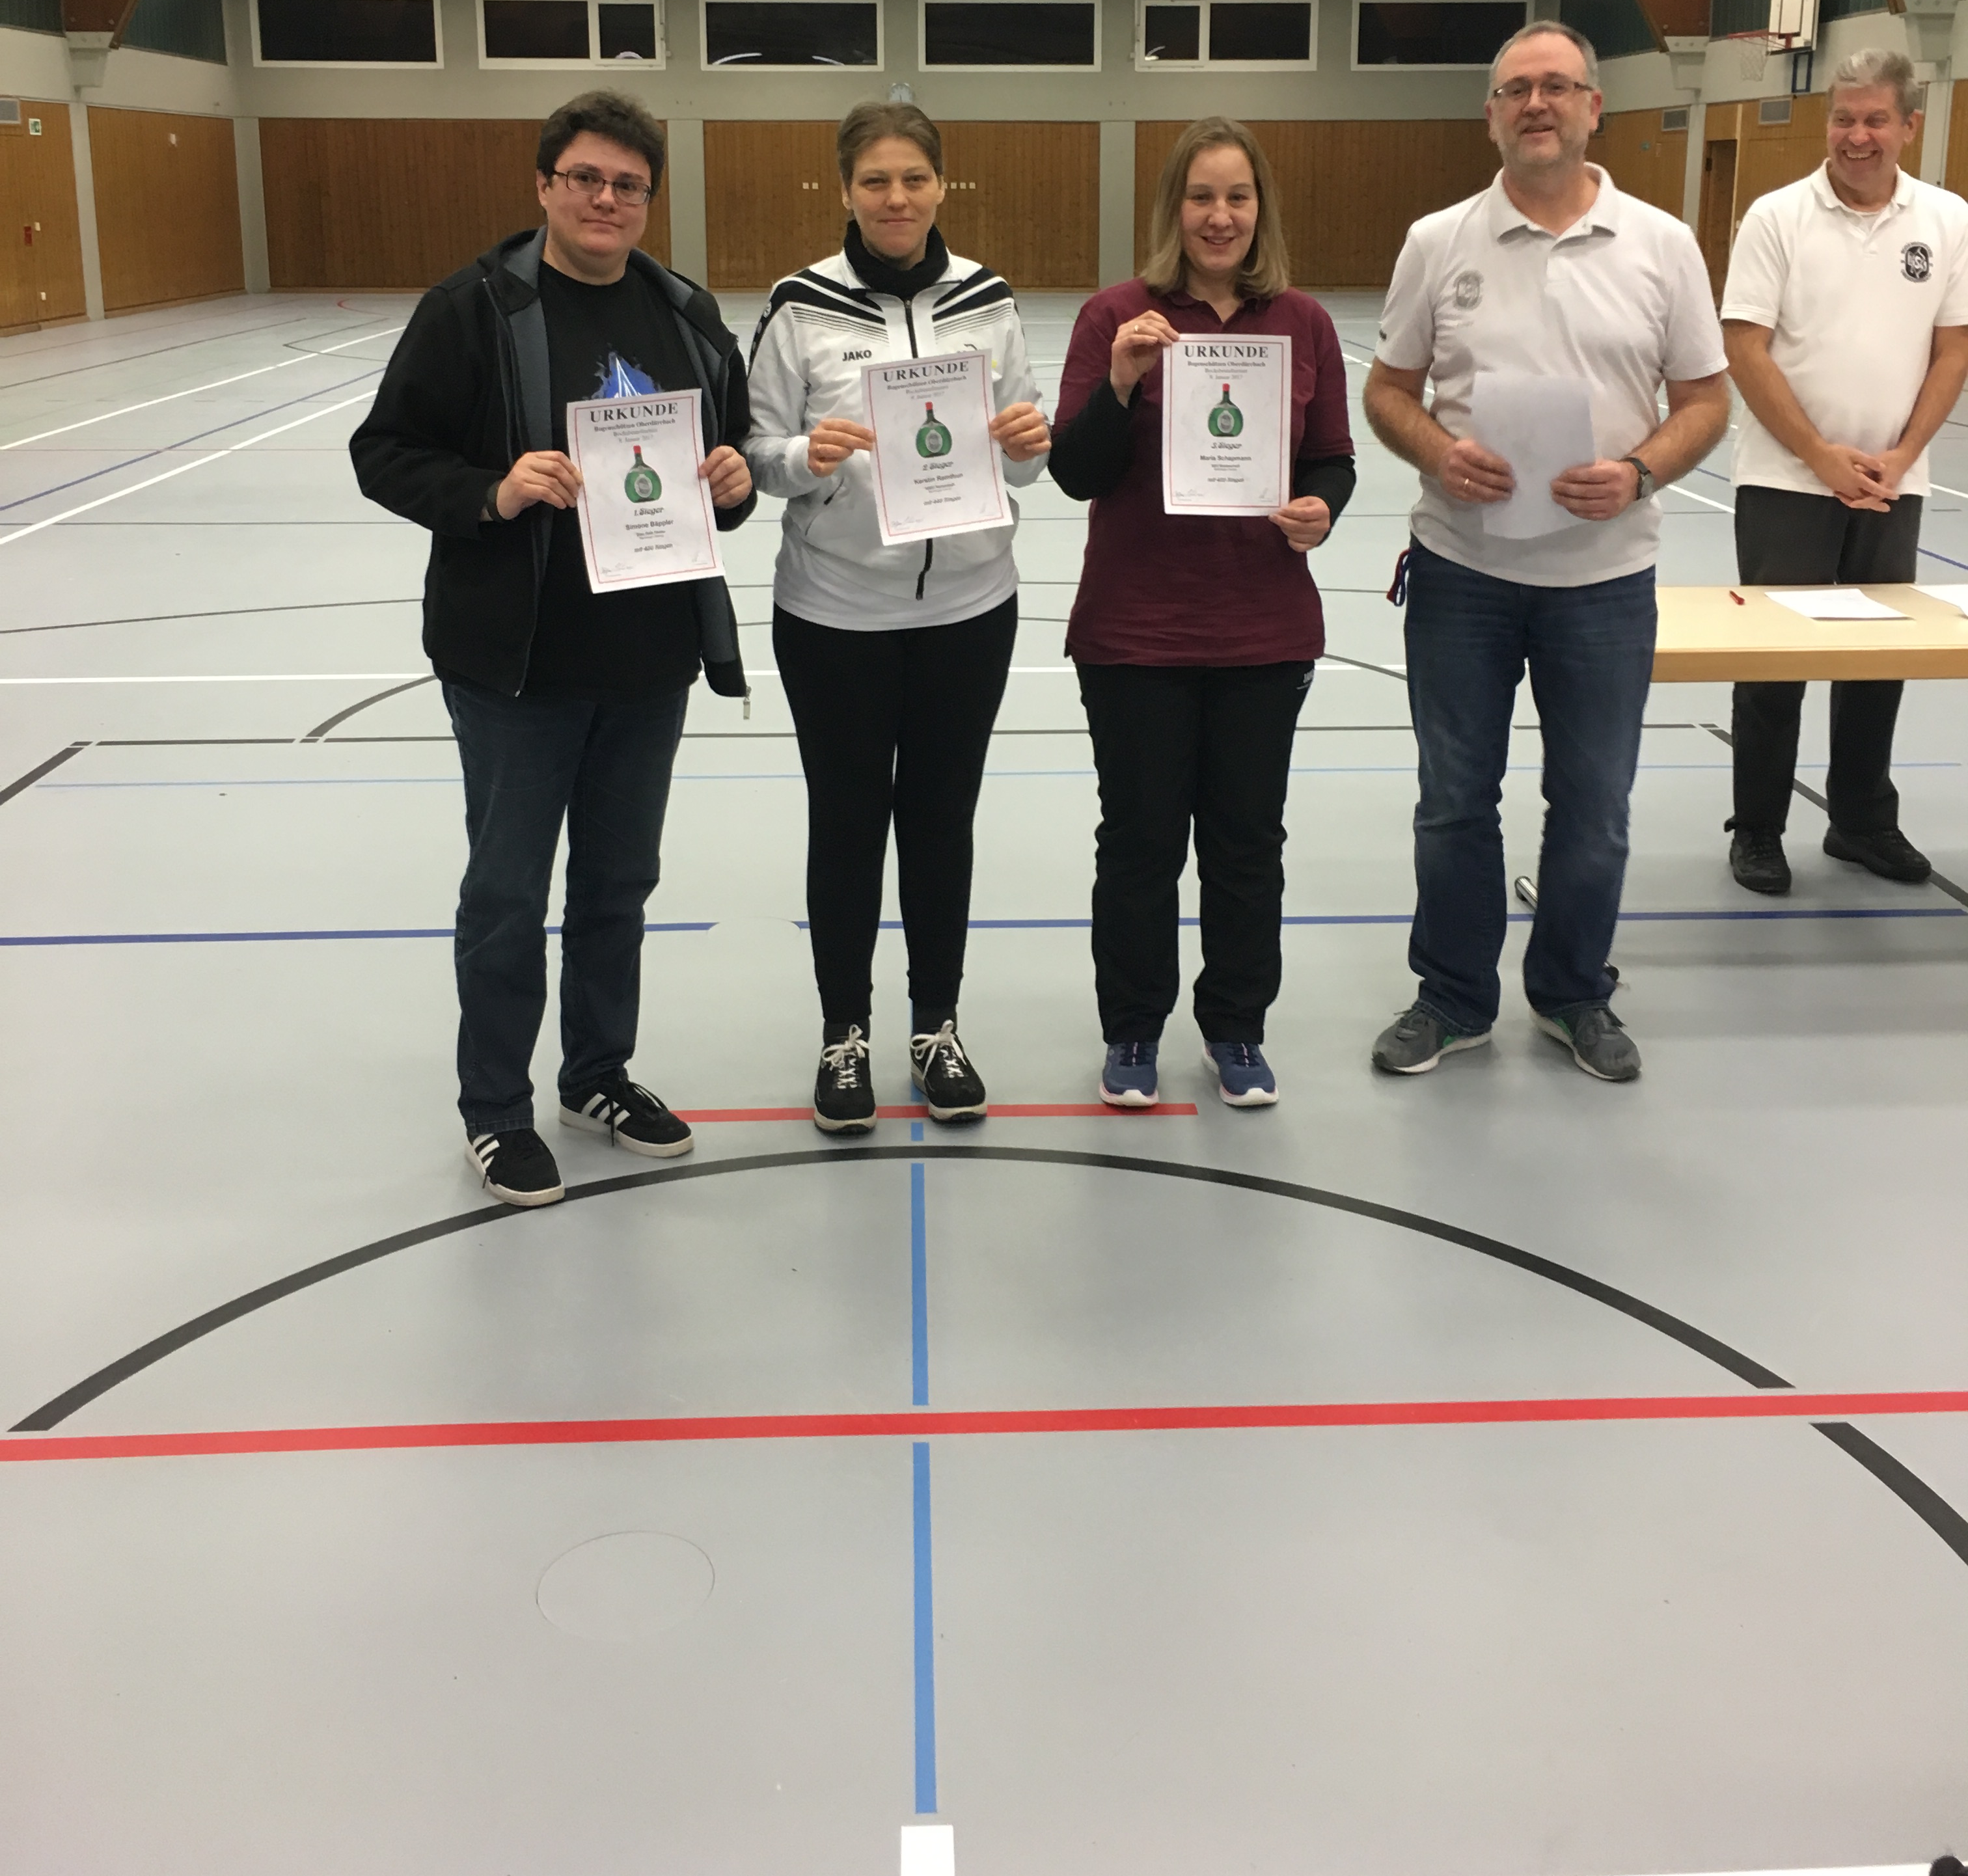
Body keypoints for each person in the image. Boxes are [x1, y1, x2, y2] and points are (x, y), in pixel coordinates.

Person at [350, 91, 755, 1206]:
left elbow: (722, 463)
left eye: (628, 185)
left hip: (648, 660)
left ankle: (596, 1077)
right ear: (544, 185)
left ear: (648, 200)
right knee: (508, 894)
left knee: (619, 884)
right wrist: (494, 489)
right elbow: (383, 452)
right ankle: (494, 1108)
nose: (605, 200)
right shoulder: (472, 309)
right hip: (515, 667)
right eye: (585, 178)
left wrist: (733, 482)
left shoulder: (685, 312)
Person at [1363, 21, 1730, 1087]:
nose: (1537, 104)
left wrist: (1642, 472)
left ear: (1593, 107)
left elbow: (1706, 401)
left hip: (1605, 583)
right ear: (1490, 114)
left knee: (1596, 808)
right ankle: (1453, 997)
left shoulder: (1661, 243)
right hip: (1461, 576)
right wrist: (1437, 452)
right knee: (1453, 801)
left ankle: (1573, 993)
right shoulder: (1439, 241)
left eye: (1558, 87)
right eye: (1517, 89)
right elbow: (1388, 390)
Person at [743, 100, 1050, 1132]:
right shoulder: (799, 306)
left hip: (971, 607)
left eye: (914, 178)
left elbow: (1028, 459)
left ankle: (936, 1026)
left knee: (940, 823)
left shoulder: (989, 301)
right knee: (845, 827)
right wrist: (806, 455)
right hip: (833, 614)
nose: (896, 198)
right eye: (875, 180)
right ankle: (845, 1034)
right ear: (845, 189)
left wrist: (1028, 440)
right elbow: (756, 454)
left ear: (941, 186)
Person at [1048, 115, 1355, 1111]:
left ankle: (1236, 1027)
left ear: (1260, 209)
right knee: (1139, 844)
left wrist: (1322, 509)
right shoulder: (1115, 318)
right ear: (1172, 209)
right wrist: (1122, 381)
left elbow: (1331, 457)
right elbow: (1076, 472)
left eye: (1237, 197)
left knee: (1245, 845)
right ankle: (1133, 1028)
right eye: (1201, 197)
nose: (1220, 216)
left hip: (1263, 632)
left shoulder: (1303, 322)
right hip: (1134, 634)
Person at [1719, 48, 1968, 894]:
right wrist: (1821, 456)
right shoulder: (1777, 217)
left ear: (1910, 126)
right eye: (1843, 118)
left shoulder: (1947, 219)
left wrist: (1902, 456)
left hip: (1892, 484)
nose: (1856, 136)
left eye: (1875, 120)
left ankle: (1861, 821)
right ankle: (1758, 827)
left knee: (1877, 657)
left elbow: (1953, 350)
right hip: (1785, 481)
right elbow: (1745, 347)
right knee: (1774, 660)